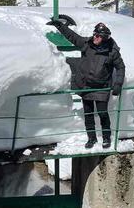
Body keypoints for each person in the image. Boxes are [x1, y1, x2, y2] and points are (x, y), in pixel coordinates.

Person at [47, 18, 125, 149]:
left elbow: (121, 68)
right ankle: (91, 139)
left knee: (102, 113)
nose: (95, 37)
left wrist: (118, 84)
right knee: (88, 114)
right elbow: (72, 37)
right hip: (86, 86)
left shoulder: (112, 51)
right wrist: (60, 26)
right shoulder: (87, 44)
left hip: (102, 87)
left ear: (105, 37)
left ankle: (106, 138)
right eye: (95, 34)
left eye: (98, 35)